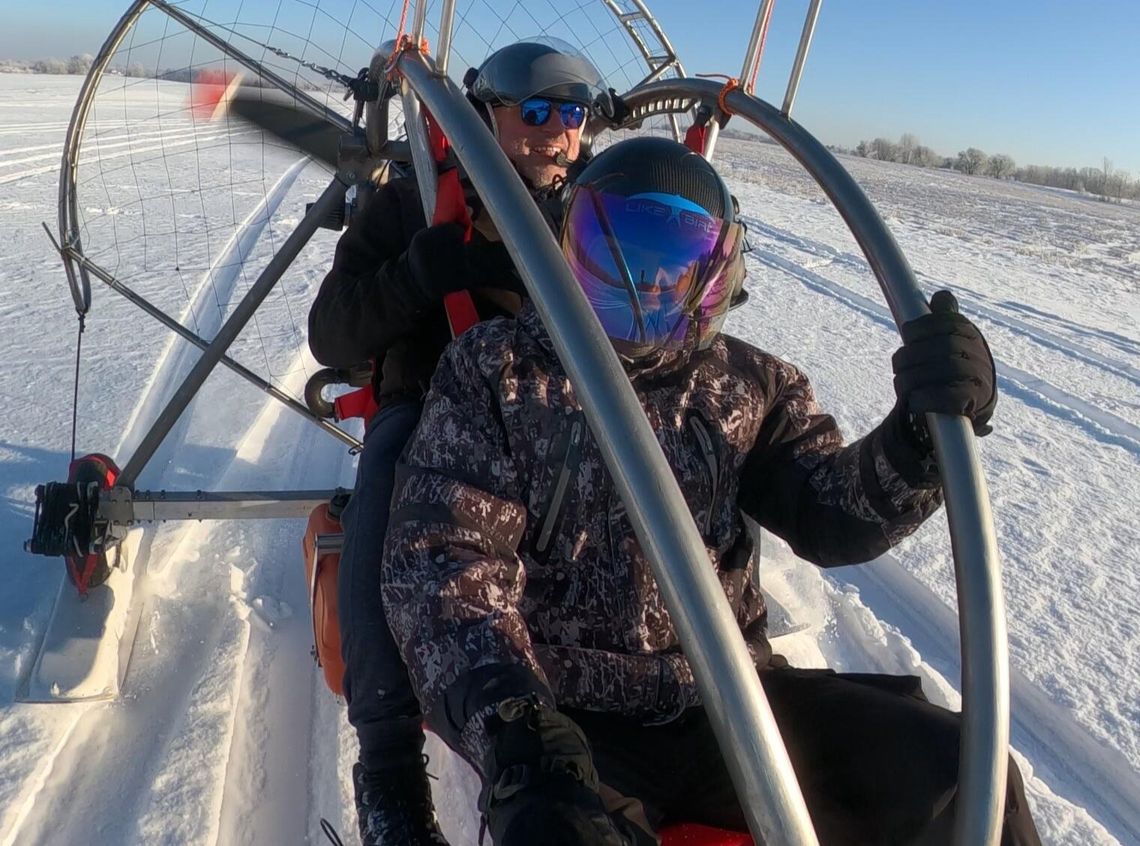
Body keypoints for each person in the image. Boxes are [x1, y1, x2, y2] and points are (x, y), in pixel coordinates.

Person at [381, 136, 1041, 845]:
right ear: (571, 250)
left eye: (677, 263)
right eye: (623, 254)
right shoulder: (498, 372)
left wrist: (913, 444)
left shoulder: (749, 386)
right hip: (567, 710)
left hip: (726, 693)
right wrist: (516, 724)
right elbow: (446, 559)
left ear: (716, 273)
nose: (651, 284)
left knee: (969, 775)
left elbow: (830, 510)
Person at [307, 39, 609, 846]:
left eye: (572, 115)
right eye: (536, 112)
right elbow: (330, 333)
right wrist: (415, 275)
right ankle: (390, 775)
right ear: (487, 115)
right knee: (394, 495)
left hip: (553, 411)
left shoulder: (594, 213)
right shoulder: (415, 200)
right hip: (433, 399)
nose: (557, 133)